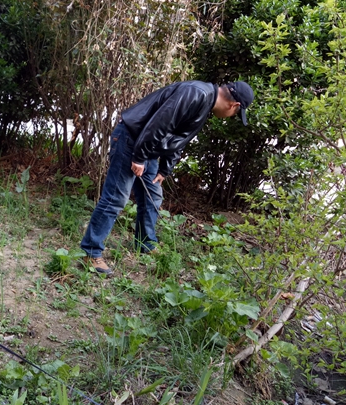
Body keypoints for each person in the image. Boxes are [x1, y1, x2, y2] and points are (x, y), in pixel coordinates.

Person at [81, 80, 254, 275]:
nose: (231, 116)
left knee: (152, 197)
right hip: (133, 140)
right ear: (234, 105)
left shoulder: (205, 101)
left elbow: (178, 136)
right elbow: (159, 123)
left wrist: (165, 169)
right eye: (236, 113)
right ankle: (91, 252)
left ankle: (145, 243)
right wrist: (139, 157)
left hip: (147, 145)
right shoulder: (196, 93)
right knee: (116, 197)